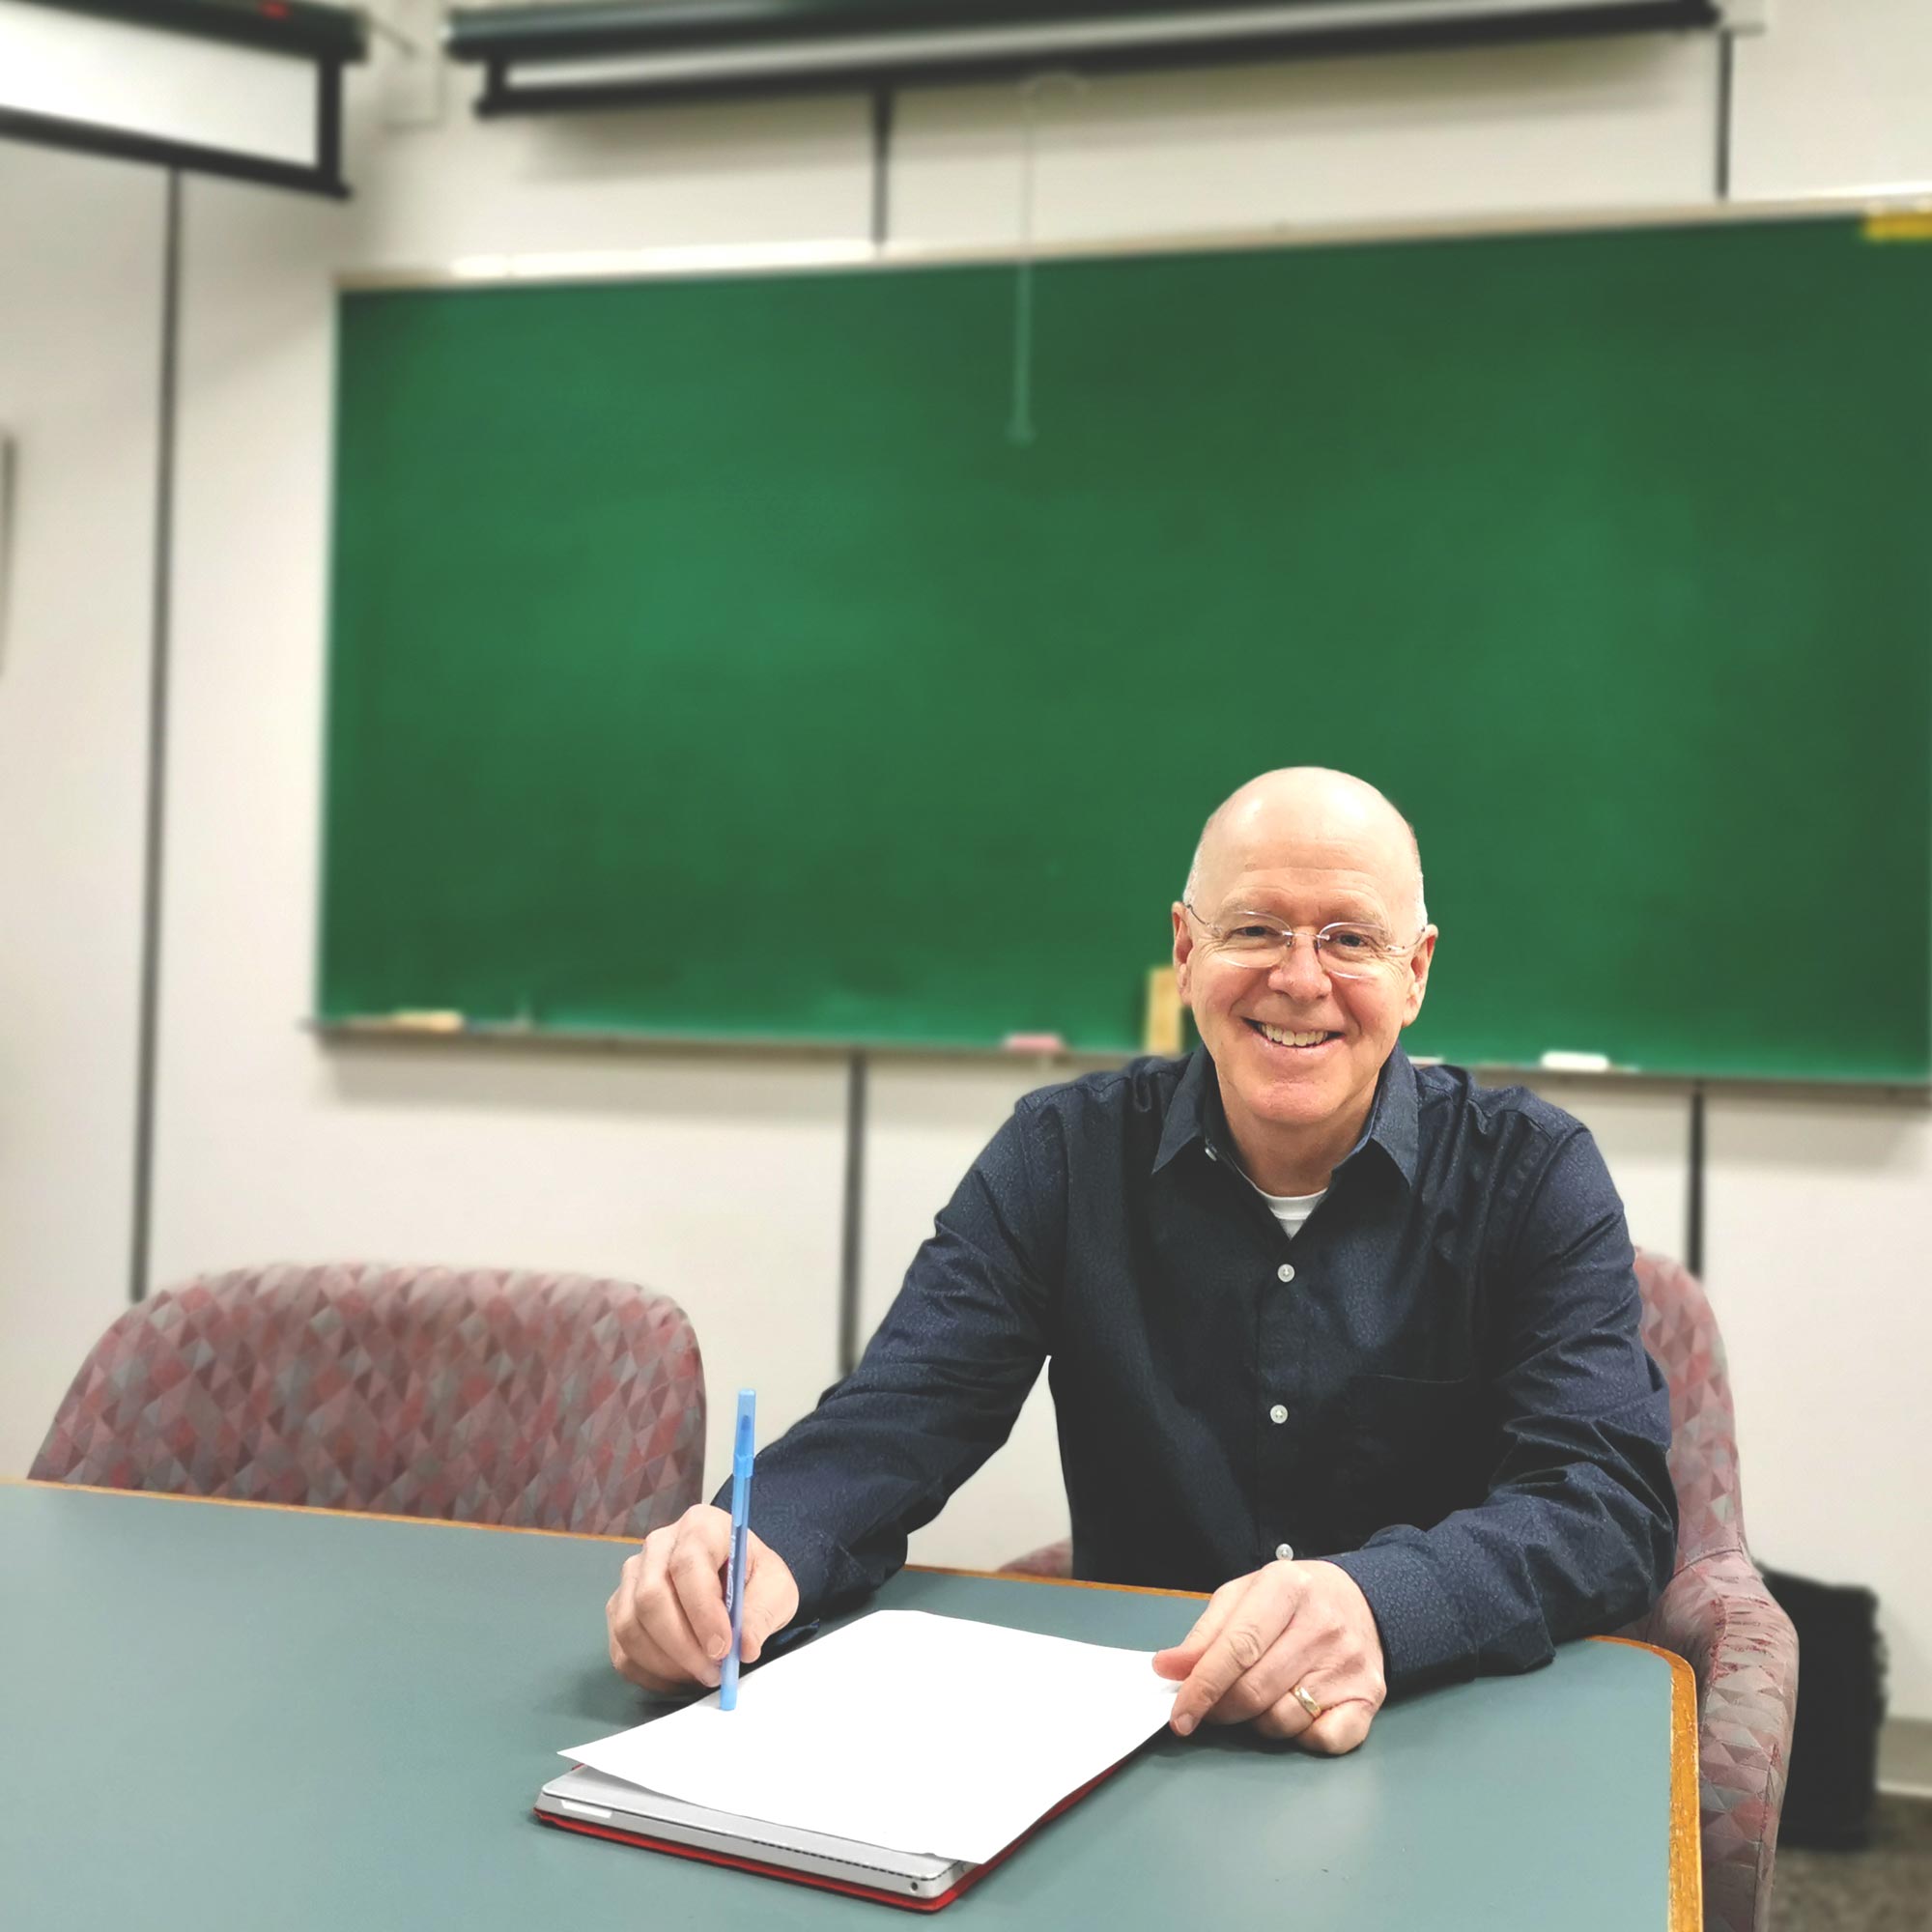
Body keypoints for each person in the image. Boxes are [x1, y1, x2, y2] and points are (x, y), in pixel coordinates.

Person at [606, 767, 1676, 1755]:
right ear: (1184, 949)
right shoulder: (1062, 1157)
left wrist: (1383, 1603)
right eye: (1253, 927)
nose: (1299, 978)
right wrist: (756, 1550)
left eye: (1349, 938)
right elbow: (903, 1410)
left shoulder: (1533, 1176)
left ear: (1416, 971)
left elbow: (1603, 1500)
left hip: (1443, 1719)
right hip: (1141, 1735)